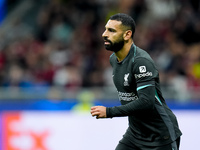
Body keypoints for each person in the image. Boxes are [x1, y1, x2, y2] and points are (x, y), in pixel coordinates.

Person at [90, 13, 182, 150]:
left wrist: (109, 112)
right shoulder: (113, 60)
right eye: (105, 29)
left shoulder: (140, 61)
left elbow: (146, 102)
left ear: (127, 35)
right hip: (135, 134)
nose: (104, 34)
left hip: (161, 136)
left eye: (111, 30)